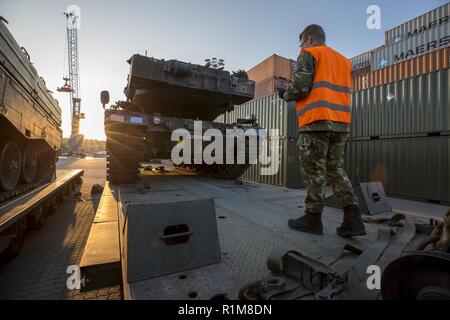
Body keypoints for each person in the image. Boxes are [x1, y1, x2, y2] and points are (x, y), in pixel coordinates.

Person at [278, 24, 366, 237]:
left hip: (316, 122)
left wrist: (284, 94)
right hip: (340, 123)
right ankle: (353, 218)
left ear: (309, 40)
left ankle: (312, 218)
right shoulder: (344, 61)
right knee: (335, 169)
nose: (300, 48)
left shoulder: (309, 54)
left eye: (301, 44)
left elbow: (300, 87)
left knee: (314, 171)